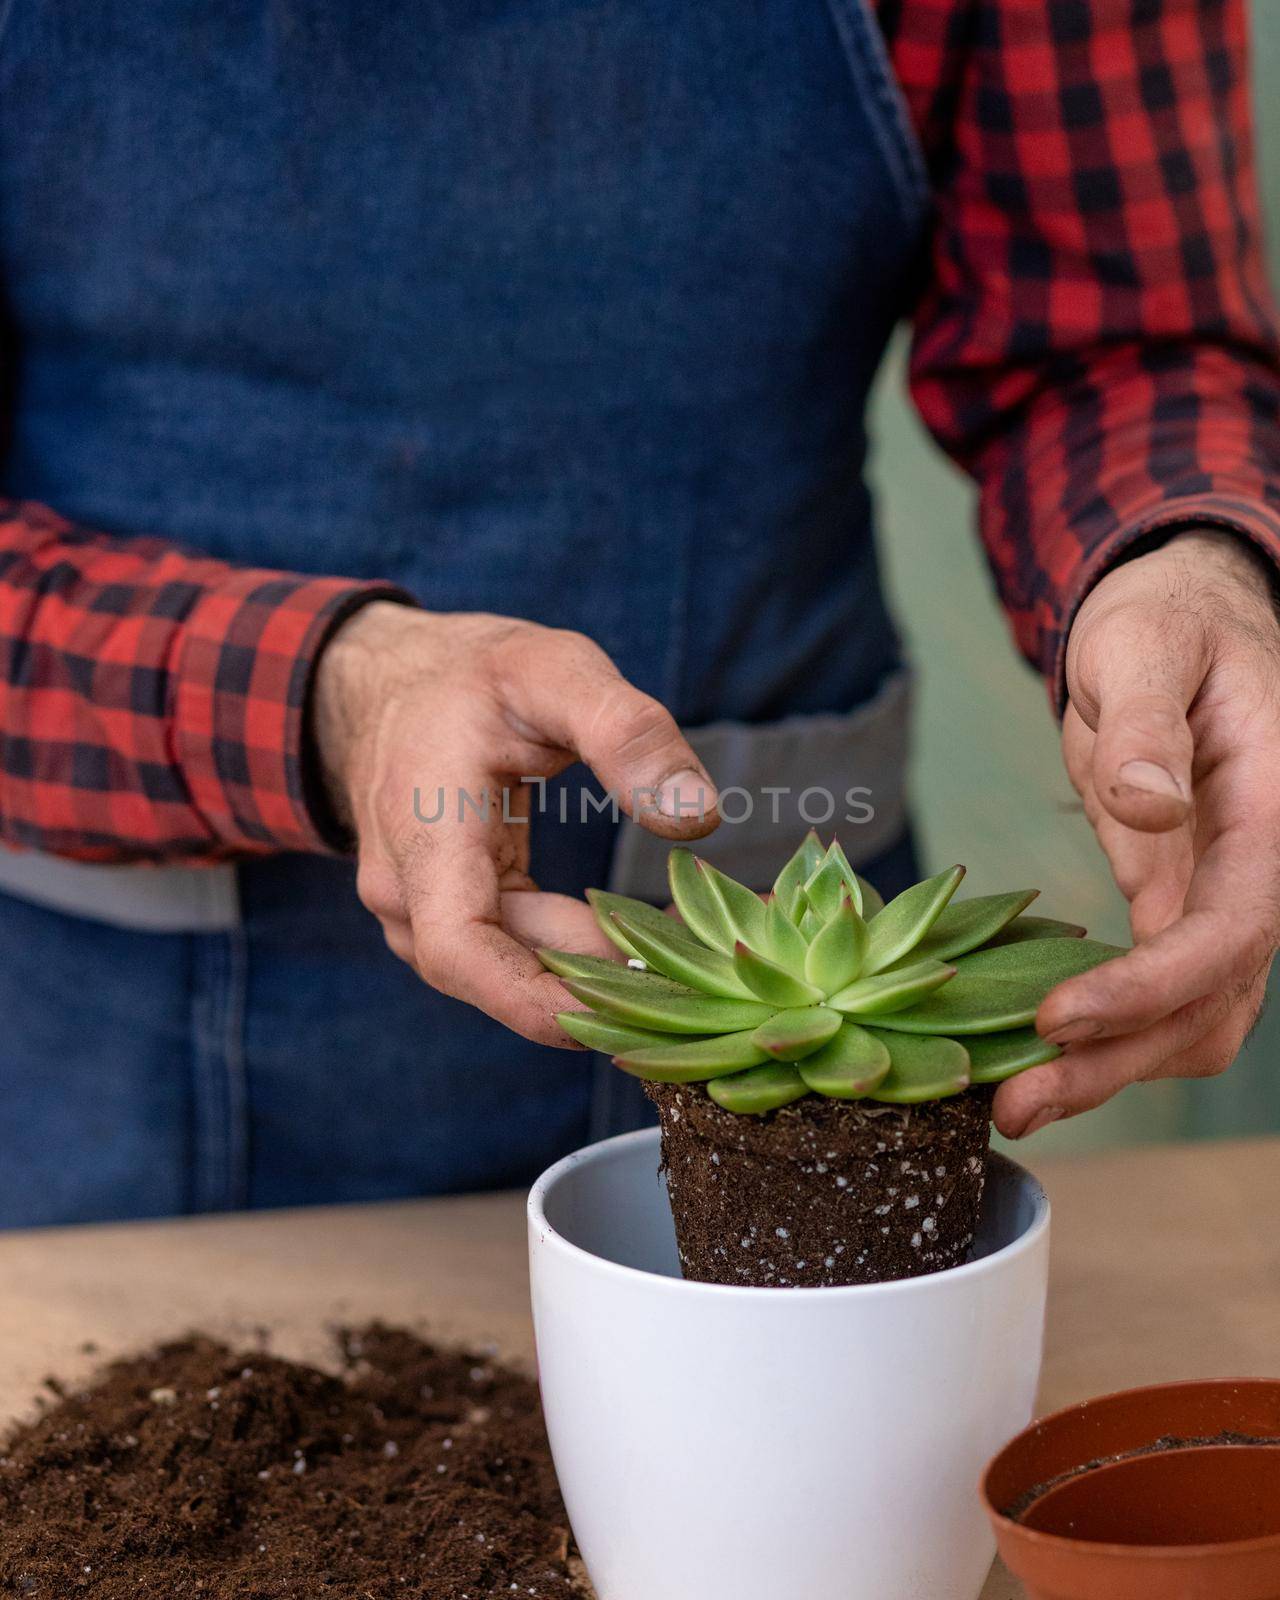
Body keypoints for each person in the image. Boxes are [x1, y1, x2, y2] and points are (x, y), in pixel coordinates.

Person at [1, 0, 1278, 1227]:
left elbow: (1121, 342)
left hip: (807, 992)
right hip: (122, 1036)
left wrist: (1188, 562)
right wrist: (329, 692)